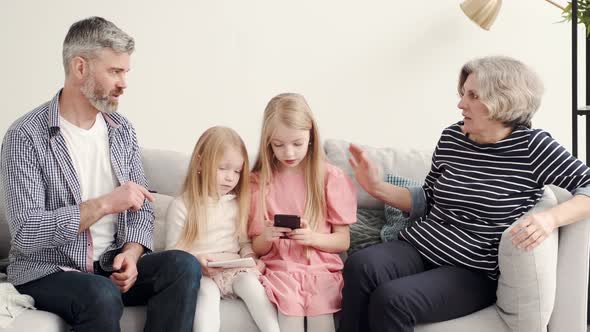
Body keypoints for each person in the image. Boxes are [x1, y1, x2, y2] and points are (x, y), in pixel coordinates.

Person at [340, 55, 590, 332]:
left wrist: (550, 219)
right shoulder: (452, 138)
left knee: (392, 300)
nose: (461, 104)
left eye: (472, 96)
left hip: (472, 270)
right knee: (360, 264)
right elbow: (428, 198)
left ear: (502, 101)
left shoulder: (533, 148)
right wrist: (375, 187)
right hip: (421, 245)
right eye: (463, 94)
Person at [0, 16, 201, 331]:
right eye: (115, 71)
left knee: (182, 266)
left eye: (125, 72)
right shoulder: (25, 136)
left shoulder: (123, 132)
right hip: (49, 270)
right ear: (80, 68)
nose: (124, 83)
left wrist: (132, 254)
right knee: (102, 294)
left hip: (109, 266)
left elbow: (141, 208)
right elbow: (27, 232)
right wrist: (104, 204)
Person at [248, 93, 357, 332]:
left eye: (297, 143)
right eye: (279, 145)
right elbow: (256, 247)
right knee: (289, 319)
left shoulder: (329, 177)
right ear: (268, 142)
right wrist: (267, 236)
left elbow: (343, 240)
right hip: (280, 268)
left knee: (322, 320)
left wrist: (312, 238)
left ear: (311, 136)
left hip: (319, 268)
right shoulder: (258, 182)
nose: (288, 153)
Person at [165, 126, 280, 332]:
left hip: (233, 268)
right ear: (200, 162)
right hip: (202, 272)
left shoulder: (236, 203)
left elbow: (243, 242)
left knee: (252, 286)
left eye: (237, 171)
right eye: (223, 168)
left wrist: (251, 257)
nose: (230, 178)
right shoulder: (182, 205)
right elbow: (174, 254)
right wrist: (197, 262)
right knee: (206, 295)